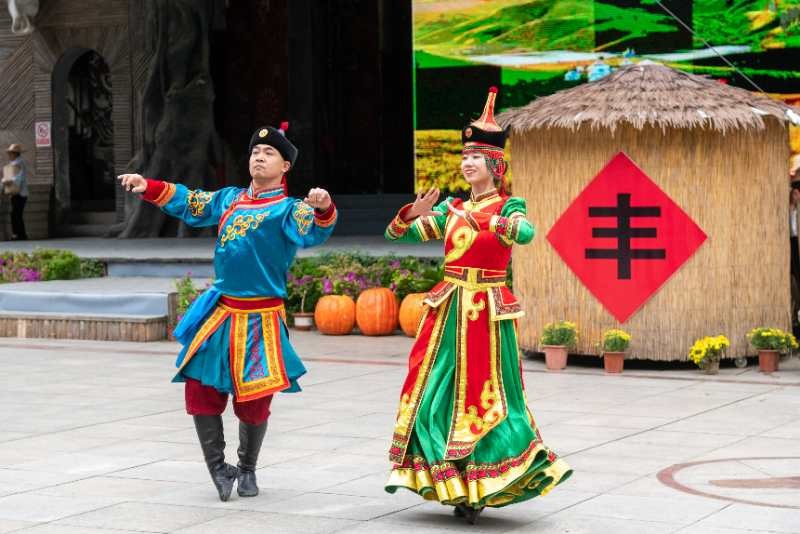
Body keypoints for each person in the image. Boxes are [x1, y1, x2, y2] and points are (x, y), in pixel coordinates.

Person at [119, 123, 337, 501]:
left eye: (269, 153)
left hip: (261, 319)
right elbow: (191, 201)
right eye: (255, 152)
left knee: (254, 401)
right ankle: (219, 469)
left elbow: (315, 230)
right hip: (220, 313)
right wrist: (149, 186)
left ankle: (248, 468)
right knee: (199, 388)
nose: (259, 157)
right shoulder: (229, 199)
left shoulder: (289, 210)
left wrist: (323, 207)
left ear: (285, 166)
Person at [383, 88, 572, 523]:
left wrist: (499, 222)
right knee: (435, 392)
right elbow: (397, 235)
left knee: (487, 395)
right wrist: (411, 213)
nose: (467, 163)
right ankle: (449, 480)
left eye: (476, 157)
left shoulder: (508, 205)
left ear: (495, 165)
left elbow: (526, 233)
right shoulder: (451, 209)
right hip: (448, 311)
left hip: (486, 315)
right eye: (465, 156)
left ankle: (484, 480)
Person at [2, 143, 29, 240]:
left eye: (11, 153)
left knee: (16, 214)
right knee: (16, 214)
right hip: (16, 193)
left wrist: (8, 181)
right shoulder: (14, 163)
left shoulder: (19, 163)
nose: (9, 155)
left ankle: (19, 235)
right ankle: (20, 234)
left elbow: (19, 177)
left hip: (20, 193)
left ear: (15, 154)